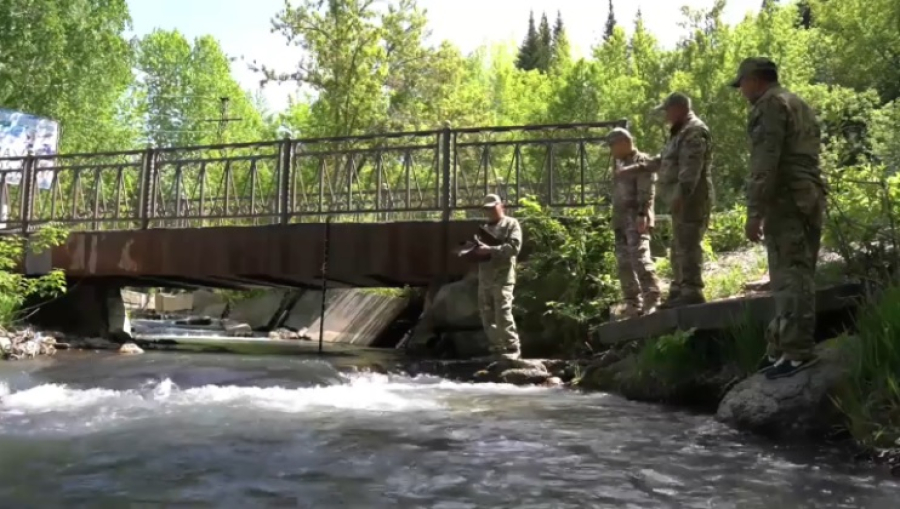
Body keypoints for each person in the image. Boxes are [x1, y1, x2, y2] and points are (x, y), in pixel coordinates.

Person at [730, 57, 826, 380]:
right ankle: (785, 348)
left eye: (741, 83)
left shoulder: (769, 106)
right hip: (808, 195)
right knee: (795, 272)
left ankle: (798, 352)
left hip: (786, 200)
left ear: (755, 80)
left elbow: (764, 163)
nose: (741, 90)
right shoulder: (798, 102)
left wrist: (754, 213)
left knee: (790, 276)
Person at [617, 92, 714, 308]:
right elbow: (663, 161)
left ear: (679, 108)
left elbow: (691, 170)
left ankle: (692, 290)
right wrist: (636, 168)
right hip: (680, 200)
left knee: (688, 243)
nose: (666, 117)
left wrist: (681, 195)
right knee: (678, 243)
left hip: (693, 199)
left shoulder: (694, 131)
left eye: (667, 111)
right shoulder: (678, 134)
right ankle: (679, 290)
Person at [607, 127, 662, 318]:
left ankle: (652, 297)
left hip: (636, 218)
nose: (610, 150)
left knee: (640, 257)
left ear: (623, 142)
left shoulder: (642, 162)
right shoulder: (619, 163)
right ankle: (632, 302)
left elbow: (647, 191)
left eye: (611, 145)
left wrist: (642, 213)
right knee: (624, 263)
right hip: (621, 220)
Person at [472, 194, 523, 360]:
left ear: (502, 206)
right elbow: (479, 250)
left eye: (493, 207)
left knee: (503, 311)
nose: (490, 211)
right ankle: (496, 348)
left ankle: (512, 347)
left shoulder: (511, 224)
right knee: (486, 313)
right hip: (485, 277)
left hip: (503, 276)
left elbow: (513, 248)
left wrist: (491, 250)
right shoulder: (483, 227)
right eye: (487, 208)